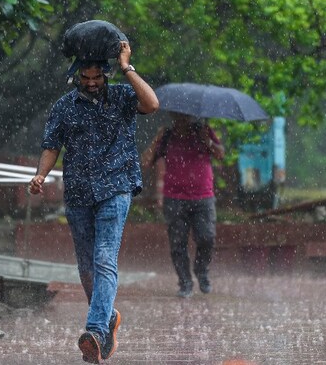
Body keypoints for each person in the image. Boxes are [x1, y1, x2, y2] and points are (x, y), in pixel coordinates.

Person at [29, 41, 158, 364]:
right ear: (76, 76)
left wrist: (127, 66)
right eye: (85, 78)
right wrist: (40, 175)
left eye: (96, 77)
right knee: (86, 267)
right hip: (78, 193)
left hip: (116, 187)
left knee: (104, 259)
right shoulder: (64, 107)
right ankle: (108, 316)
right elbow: (51, 145)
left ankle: (96, 331)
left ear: (106, 74)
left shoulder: (123, 97)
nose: (91, 83)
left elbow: (152, 103)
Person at [148, 112, 224, 298]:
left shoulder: (203, 131)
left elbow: (220, 154)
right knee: (177, 243)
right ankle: (185, 282)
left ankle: (201, 269)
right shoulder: (167, 136)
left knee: (207, 237)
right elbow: (146, 162)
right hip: (174, 198)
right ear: (173, 115)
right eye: (178, 116)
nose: (182, 119)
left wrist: (208, 141)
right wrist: (156, 140)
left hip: (203, 196)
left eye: (186, 116)